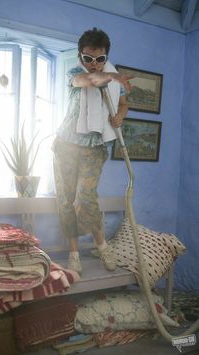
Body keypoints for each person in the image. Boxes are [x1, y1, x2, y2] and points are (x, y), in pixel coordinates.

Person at [52, 27, 129, 274]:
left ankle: (102, 245)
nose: (93, 64)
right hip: (66, 145)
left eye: (99, 59)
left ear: (106, 56)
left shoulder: (114, 78)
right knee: (66, 200)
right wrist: (110, 78)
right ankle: (73, 254)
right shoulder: (74, 72)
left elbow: (123, 103)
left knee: (86, 197)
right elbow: (88, 81)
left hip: (95, 147)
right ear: (80, 56)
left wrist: (119, 116)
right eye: (88, 58)